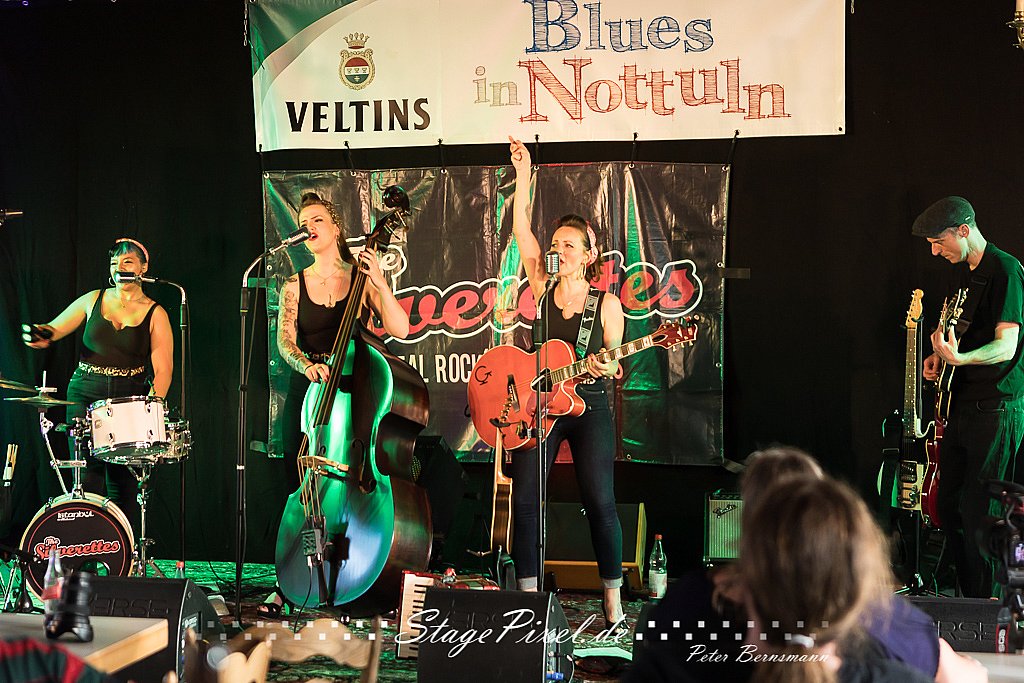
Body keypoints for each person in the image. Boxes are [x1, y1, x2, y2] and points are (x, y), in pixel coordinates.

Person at [627, 447, 986, 683]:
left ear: (748, 582)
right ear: (857, 584)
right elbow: (962, 676)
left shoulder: (674, 659)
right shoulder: (896, 654)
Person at [260, 191, 410, 616]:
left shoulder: (360, 277)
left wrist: (379, 282)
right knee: (302, 487)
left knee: (353, 480)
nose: (309, 228)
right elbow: (285, 341)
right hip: (311, 395)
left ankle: (350, 574)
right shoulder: (295, 284)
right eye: (304, 223)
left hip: (356, 392)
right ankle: (290, 581)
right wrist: (307, 365)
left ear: (336, 227)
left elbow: (399, 328)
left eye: (318, 220)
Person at [507, 136, 627, 626]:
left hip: (588, 403)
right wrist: (523, 173)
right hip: (542, 404)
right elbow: (520, 227)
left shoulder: (607, 304)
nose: (558, 250)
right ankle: (528, 601)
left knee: (599, 500)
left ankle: (613, 601)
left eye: (568, 245)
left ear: (588, 254)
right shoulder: (541, 286)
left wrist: (605, 366)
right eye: (555, 244)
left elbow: (615, 362)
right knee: (525, 497)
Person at [913, 196, 1024, 598]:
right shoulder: (962, 274)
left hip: (996, 407)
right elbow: (957, 333)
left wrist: (960, 359)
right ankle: (967, 599)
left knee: (982, 513)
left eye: (938, 242)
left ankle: (989, 607)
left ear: (963, 230)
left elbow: (1005, 347)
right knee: (948, 506)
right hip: (961, 405)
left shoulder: (1005, 270)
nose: (934, 251)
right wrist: (939, 358)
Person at [24, 237, 173, 527]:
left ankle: (120, 548)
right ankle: (85, 544)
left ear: (143, 268)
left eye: (127, 261)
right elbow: (52, 329)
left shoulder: (156, 313)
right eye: (114, 263)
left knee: (123, 484)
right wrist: (40, 335)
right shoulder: (93, 298)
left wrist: (151, 412)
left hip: (128, 398)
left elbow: (164, 370)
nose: (119, 268)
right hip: (85, 392)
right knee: (86, 479)